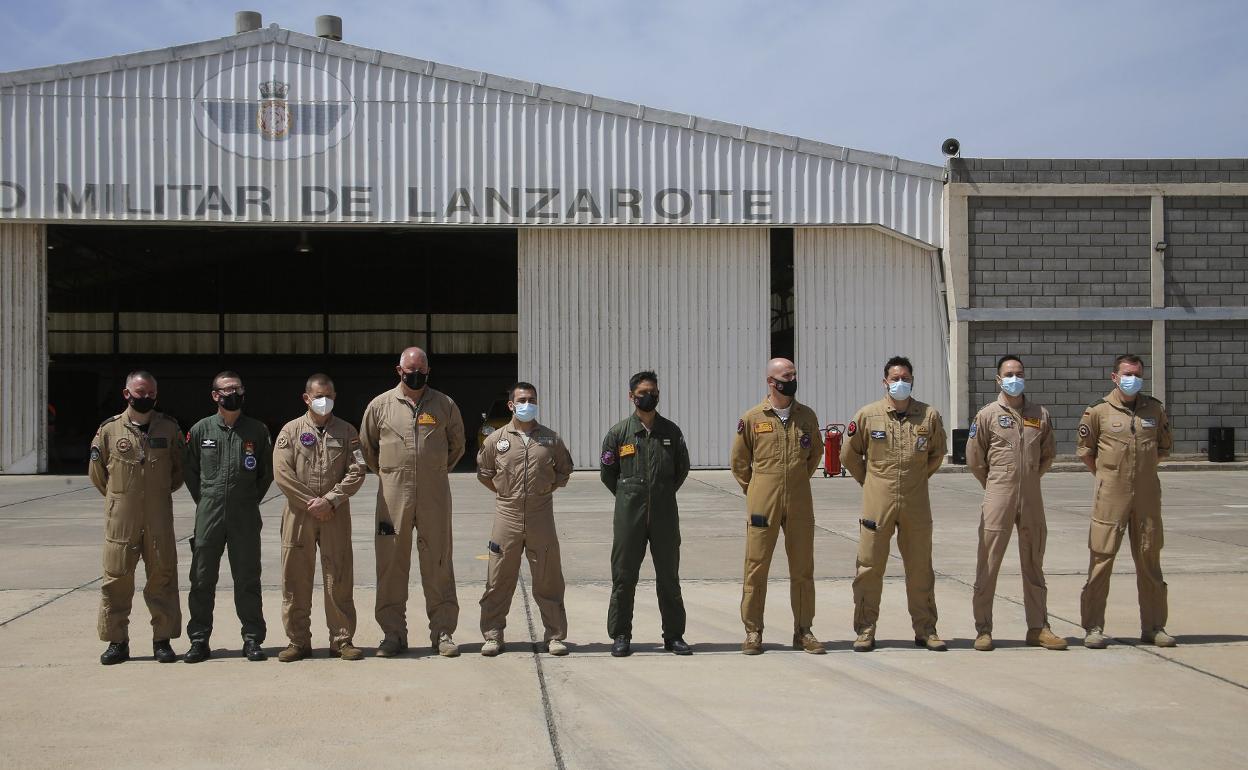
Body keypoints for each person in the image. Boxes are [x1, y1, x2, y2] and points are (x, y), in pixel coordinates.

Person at [359, 347, 466, 657]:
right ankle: (393, 634)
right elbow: (368, 448)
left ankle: (442, 632)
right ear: (399, 370)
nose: (415, 375)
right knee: (391, 564)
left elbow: (457, 445)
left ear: (428, 371)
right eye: (410, 370)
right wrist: (391, 474)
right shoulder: (380, 406)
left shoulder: (444, 405)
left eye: (421, 370)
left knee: (439, 562)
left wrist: (433, 471)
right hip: (393, 497)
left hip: (434, 496)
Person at [841, 356, 947, 652]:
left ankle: (926, 629)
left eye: (906, 378)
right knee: (869, 566)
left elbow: (937, 454)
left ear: (912, 380)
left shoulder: (928, 416)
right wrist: (871, 482)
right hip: (878, 501)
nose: (900, 383)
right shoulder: (868, 415)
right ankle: (865, 629)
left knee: (920, 568)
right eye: (895, 378)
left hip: (916, 502)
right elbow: (849, 456)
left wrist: (917, 478)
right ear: (884, 381)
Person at [965, 355, 1066, 651]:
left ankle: (1038, 627)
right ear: (998, 379)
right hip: (999, 494)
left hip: (1032, 496)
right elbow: (975, 459)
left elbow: (1047, 454)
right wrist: (997, 483)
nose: (1014, 377)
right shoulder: (987, 415)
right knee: (989, 562)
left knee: (1034, 562)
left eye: (1019, 372)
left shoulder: (1040, 414)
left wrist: (1029, 479)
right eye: (1008, 373)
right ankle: (983, 628)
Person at [1076, 354, 1176, 649]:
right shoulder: (1098, 412)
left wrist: (1140, 474)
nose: (1133, 378)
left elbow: (1163, 448)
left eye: (1138, 373)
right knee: (1101, 559)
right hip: (1111, 497)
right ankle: (1093, 627)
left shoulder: (1154, 409)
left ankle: (1154, 626)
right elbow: (1086, 452)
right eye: (1127, 373)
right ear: (1114, 377)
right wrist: (1109, 477)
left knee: (1150, 560)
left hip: (1146, 497)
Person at [89, 371, 184, 665]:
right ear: (126, 393)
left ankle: (162, 640)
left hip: (158, 518)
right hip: (122, 520)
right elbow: (98, 474)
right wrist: (123, 498)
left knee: (162, 576)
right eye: (140, 393)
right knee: (116, 579)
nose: (145, 398)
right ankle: (117, 641)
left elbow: (178, 472)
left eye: (151, 394)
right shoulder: (109, 430)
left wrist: (152, 495)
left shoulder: (168, 429)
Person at [730, 358, 824, 655]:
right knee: (756, 566)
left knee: (803, 568)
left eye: (794, 374)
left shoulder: (806, 416)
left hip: (799, 500)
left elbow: (815, 454)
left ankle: (804, 630)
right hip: (763, 500)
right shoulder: (753, 417)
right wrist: (757, 489)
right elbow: (740, 461)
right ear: (771, 381)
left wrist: (794, 480)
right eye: (787, 375)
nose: (792, 379)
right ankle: (753, 631)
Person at [272, 374, 367, 662]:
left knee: (338, 576)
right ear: (306, 398)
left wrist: (331, 500)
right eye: (318, 396)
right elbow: (282, 472)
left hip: (334, 514)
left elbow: (358, 469)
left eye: (328, 395)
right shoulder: (290, 431)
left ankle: (342, 639)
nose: (323, 401)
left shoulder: (348, 431)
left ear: (335, 397)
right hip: (299, 515)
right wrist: (309, 502)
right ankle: (298, 641)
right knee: (296, 578)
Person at [476, 382, 574, 656]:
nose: (527, 403)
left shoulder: (551, 439)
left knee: (548, 578)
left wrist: (543, 491)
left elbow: (564, 470)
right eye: (521, 399)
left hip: (541, 516)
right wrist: (507, 494)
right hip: (506, 514)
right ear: (511, 404)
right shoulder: (496, 440)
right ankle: (493, 635)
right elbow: (484, 473)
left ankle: (554, 636)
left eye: (531, 399)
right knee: (498, 578)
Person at [600, 371, 692, 657]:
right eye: (642, 392)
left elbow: (681, 470)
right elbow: (608, 474)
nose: (647, 396)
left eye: (652, 391)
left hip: (665, 515)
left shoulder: (671, 432)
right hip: (630, 516)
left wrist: (660, 492)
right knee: (624, 576)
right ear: (631, 396)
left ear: (658, 395)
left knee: (669, 577)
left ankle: (674, 636)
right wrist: (631, 496)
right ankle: (621, 635)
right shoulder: (619, 434)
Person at [184, 371, 273, 663]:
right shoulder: (200, 430)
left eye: (237, 388)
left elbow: (265, 474)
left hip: (245, 515)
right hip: (208, 514)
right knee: (201, 578)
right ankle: (199, 639)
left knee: (247, 578)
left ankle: (252, 638)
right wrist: (208, 500)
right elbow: (191, 471)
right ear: (215, 396)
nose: (231, 393)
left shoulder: (257, 430)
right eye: (226, 389)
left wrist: (246, 500)